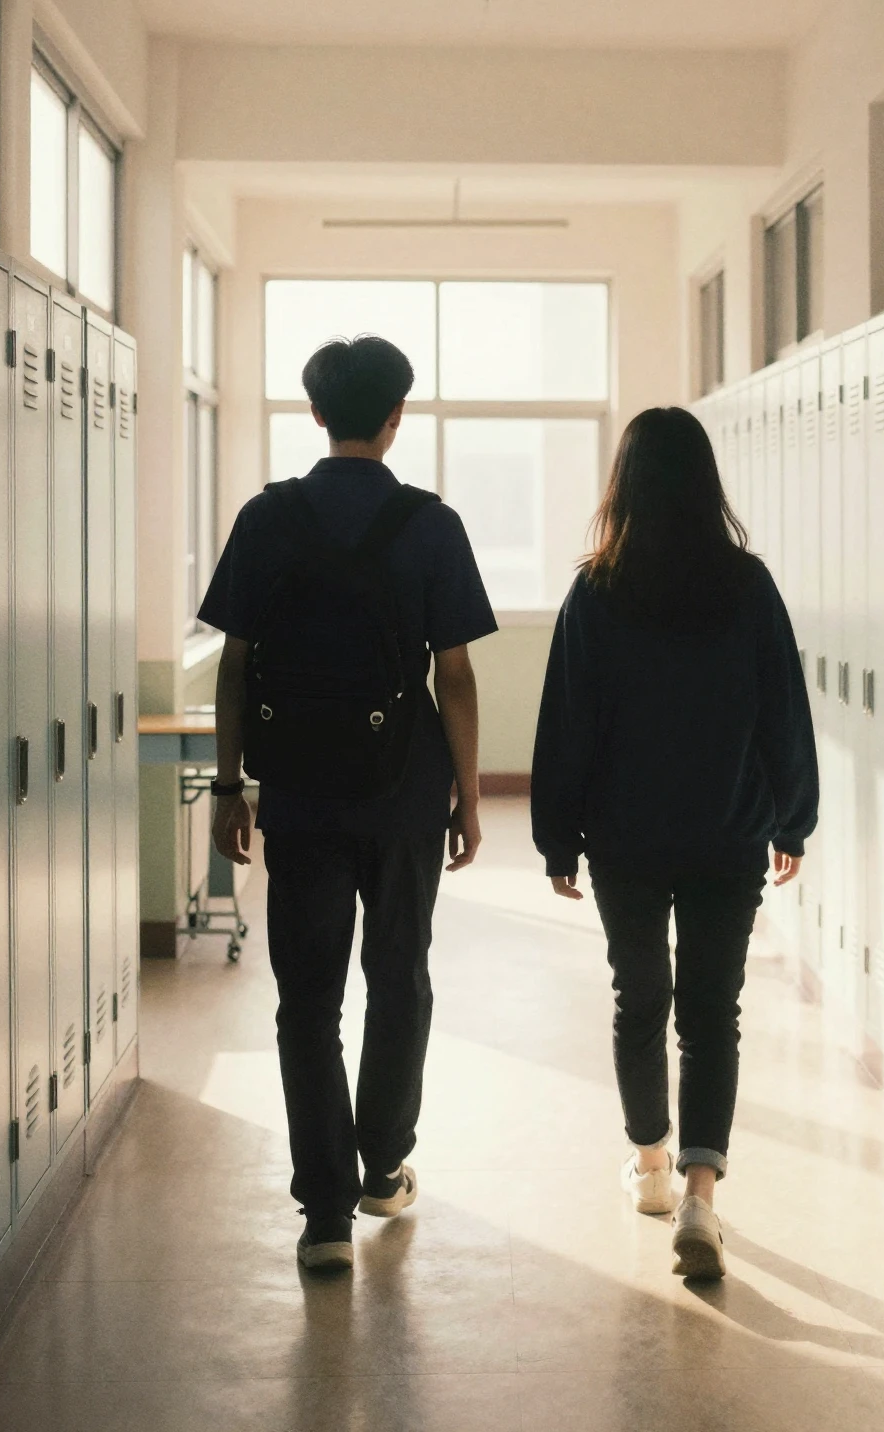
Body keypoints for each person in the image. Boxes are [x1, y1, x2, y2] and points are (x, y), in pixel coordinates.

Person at [202, 335, 496, 1272]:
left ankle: (324, 1214)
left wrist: (229, 786)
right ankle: (383, 1166)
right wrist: (468, 797)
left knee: (307, 999)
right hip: (404, 793)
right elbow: (455, 676)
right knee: (399, 978)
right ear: (397, 416)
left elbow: (235, 667)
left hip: (298, 795)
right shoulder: (431, 525)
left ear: (317, 413)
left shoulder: (266, 518)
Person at [531, 406, 818, 1281]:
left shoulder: (597, 591)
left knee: (640, 998)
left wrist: (556, 838)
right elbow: (783, 707)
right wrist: (793, 818)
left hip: (625, 836)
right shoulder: (746, 586)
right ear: (705, 484)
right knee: (711, 1011)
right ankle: (700, 1193)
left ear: (623, 485)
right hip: (726, 831)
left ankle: (650, 1165)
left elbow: (568, 723)